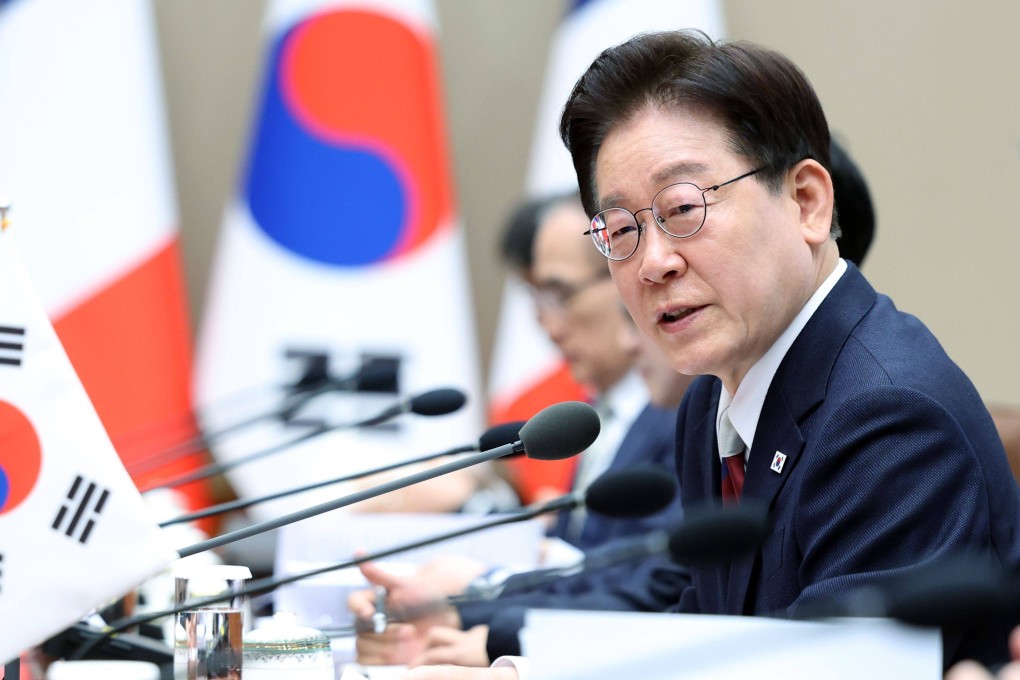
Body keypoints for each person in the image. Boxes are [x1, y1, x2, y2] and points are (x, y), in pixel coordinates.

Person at [395, 28, 1020, 677]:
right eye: (621, 231)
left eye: (683, 208)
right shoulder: (712, 403)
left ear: (807, 201)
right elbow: (713, 626)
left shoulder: (887, 413)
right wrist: (525, 664)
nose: (653, 263)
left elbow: (816, 667)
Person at [350, 192, 686, 667]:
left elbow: (652, 589)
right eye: (534, 296)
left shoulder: (685, 412)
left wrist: (478, 606)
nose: (544, 323)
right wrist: (461, 604)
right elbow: (592, 572)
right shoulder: (598, 416)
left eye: (558, 294)